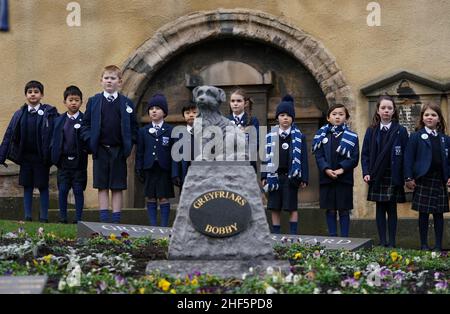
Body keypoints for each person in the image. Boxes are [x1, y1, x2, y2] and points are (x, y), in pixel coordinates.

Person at [80, 65, 138, 223]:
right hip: (100, 149)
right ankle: (104, 220)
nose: (109, 81)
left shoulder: (126, 103)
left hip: (119, 151)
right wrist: (89, 139)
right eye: (106, 78)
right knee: (102, 185)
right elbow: (85, 125)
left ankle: (116, 220)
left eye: (113, 78)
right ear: (101, 81)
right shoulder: (94, 102)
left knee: (117, 186)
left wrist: (129, 144)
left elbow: (134, 127)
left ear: (120, 82)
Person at [0, 80, 58, 222]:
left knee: (43, 187)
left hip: (41, 157)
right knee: (27, 186)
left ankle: (44, 217)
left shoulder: (49, 113)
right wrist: (1, 155)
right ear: (26, 95)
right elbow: (9, 134)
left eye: (36, 92)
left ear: (42, 94)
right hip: (25, 157)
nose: (33, 94)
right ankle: (28, 216)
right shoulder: (20, 114)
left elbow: (57, 133)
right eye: (30, 92)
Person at [361, 94, 409, 248]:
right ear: (378, 111)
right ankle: (382, 242)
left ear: (394, 111)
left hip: (393, 175)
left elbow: (406, 155)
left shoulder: (401, 131)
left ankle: (392, 243)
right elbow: (365, 154)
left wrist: (407, 176)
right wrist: (366, 172)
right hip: (377, 174)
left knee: (392, 209)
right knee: (380, 208)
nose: (386, 111)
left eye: (389, 108)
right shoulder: (371, 130)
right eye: (383, 108)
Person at [404, 102, 450, 251]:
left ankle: (438, 245)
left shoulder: (444, 139)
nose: (430, 117)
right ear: (422, 118)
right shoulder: (416, 136)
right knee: (423, 214)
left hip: (439, 180)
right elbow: (408, 158)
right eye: (427, 114)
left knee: (439, 214)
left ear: (439, 119)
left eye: (433, 115)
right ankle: (423, 244)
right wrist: (408, 178)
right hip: (423, 179)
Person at [261, 95, 308, 235]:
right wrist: (264, 175)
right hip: (274, 176)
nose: (285, 118)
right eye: (282, 115)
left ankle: (293, 234)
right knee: (275, 206)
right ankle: (276, 233)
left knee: (292, 206)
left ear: (293, 118)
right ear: (277, 118)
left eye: (288, 115)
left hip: (291, 176)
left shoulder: (299, 136)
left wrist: (304, 178)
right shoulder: (270, 136)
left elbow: (303, 158)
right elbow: (265, 157)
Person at [312, 104, 359, 237]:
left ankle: (344, 238)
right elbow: (319, 155)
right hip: (327, 178)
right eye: (334, 114)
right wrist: (326, 169)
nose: (337, 117)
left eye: (341, 114)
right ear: (328, 117)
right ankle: (332, 236)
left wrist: (341, 169)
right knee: (330, 209)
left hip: (344, 179)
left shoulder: (352, 136)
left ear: (346, 117)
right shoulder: (321, 135)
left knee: (344, 210)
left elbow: (354, 158)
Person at [136, 94, 175, 227]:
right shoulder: (143, 131)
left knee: (163, 197)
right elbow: (140, 152)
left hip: (164, 169)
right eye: (151, 108)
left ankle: (163, 227)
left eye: (157, 108)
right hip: (149, 168)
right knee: (150, 196)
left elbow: (173, 153)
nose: (153, 111)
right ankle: (153, 226)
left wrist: (174, 172)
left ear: (164, 112)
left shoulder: (170, 130)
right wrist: (139, 167)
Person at [51, 85, 88, 224]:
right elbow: (54, 140)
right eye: (70, 100)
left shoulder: (85, 120)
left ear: (81, 102)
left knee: (78, 190)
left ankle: (79, 218)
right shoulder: (59, 120)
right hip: (63, 161)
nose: (73, 103)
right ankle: (63, 217)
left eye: (77, 100)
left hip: (79, 162)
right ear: (65, 102)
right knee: (63, 189)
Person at [227, 88, 260, 170]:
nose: (235, 103)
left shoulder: (253, 121)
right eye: (232, 101)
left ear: (246, 103)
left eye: (239, 101)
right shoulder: (225, 121)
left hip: (247, 165)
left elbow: (256, 144)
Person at [172, 103, 197, 188]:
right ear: (183, 115)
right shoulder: (179, 135)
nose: (191, 115)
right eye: (187, 113)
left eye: (194, 112)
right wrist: (175, 174)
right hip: (185, 172)